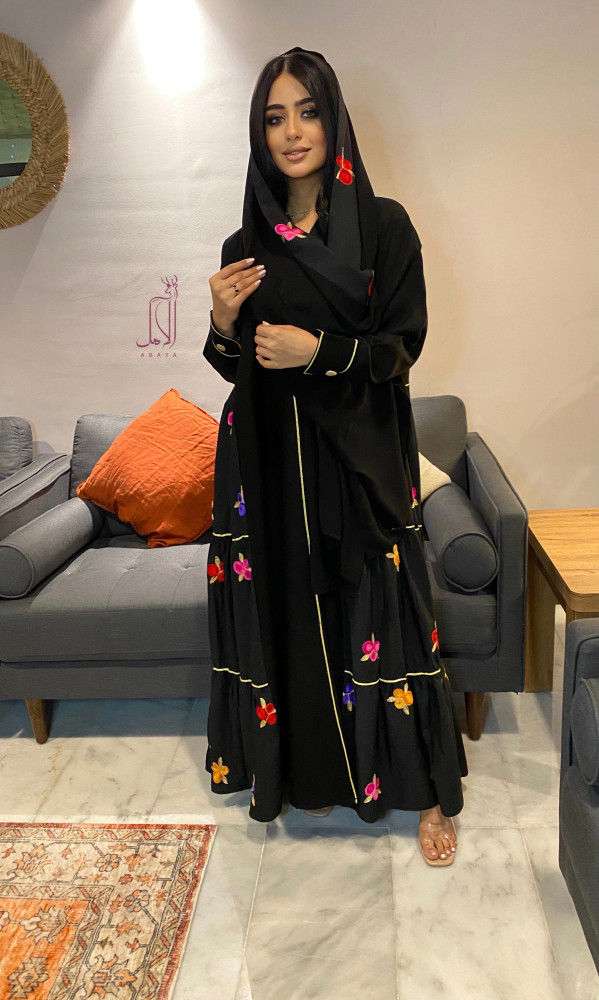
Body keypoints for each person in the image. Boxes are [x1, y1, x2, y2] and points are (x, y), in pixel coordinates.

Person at [202, 46, 468, 866]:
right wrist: (220, 326)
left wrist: (318, 351)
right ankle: (308, 774)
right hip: (269, 467)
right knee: (290, 618)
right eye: (274, 117)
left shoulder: (382, 228)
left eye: (308, 111)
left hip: (358, 461)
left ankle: (425, 791)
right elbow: (240, 368)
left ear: (334, 120)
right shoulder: (247, 240)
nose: (292, 132)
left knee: (386, 617)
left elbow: (401, 347)